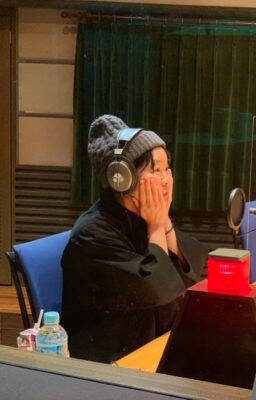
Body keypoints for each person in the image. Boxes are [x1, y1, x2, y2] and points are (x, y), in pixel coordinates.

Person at [61, 115, 208, 363]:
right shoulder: (92, 235)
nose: (166, 179)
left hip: (150, 344)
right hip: (109, 363)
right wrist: (157, 227)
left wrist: (164, 222)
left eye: (167, 169)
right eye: (156, 170)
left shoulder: (141, 217)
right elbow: (158, 289)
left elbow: (191, 275)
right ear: (122, 178)